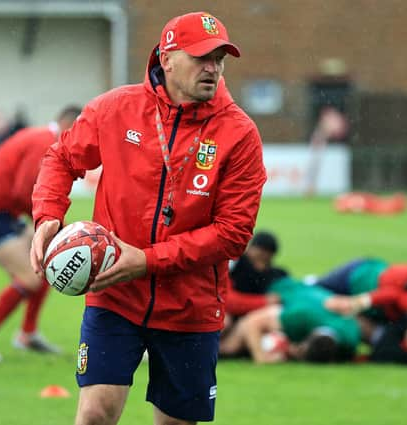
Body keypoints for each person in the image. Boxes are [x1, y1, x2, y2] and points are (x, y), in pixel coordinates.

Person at [30, 11, 266, 425]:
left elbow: (232, 235)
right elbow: (62, 158)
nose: (212, 68)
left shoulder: (239, 134)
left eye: (219, 58)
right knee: (95, 414)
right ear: (167, 57)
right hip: (114, 297)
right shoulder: (115, 109)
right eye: (201, 57)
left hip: (191, 306)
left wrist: (147, 260)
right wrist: (48, 216)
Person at [0, 105, 82, 362]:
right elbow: (23, 191)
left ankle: (27, 333)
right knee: (29, 278)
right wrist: (53, 224)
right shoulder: (44, 142)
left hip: (4, 213)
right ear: (69, 125)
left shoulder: (41, 137)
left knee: (50, 256)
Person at [220, 276, 362, 364]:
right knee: (231, 346)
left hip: (304, 293)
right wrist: (261, 358)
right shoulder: (299, 316)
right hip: (266, 285)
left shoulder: (351, 335)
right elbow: (251, 322)